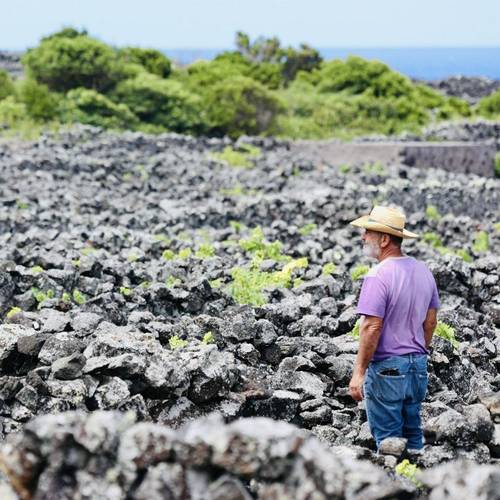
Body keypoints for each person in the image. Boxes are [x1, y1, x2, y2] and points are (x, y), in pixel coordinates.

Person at [347, 205, 440, 450]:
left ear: (385, 239)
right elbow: (430, 322)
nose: (363, 237)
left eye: (368, 232)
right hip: (417, 366)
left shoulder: (378, 275)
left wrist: (359, 372)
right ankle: (418, 483)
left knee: (389, 442)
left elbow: (371, 327)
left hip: (388, 368)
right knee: (412, 437)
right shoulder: (424, 272)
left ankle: (395, 484)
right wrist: (417, 352)